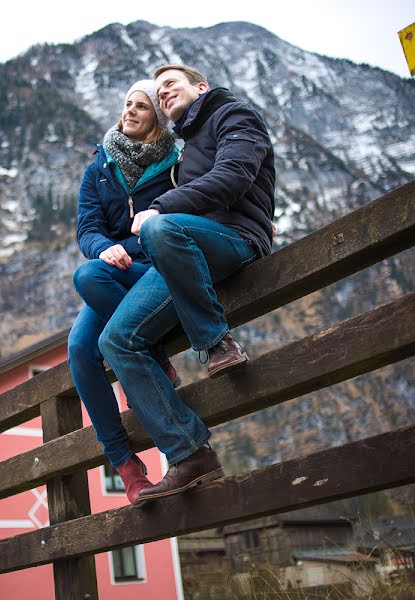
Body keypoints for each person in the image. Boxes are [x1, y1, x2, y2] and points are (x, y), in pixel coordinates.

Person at [98, 64, 276, 503]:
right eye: (157, 94)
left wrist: (161, 206)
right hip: (184, 251)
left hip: (234, 239)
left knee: (160, 229)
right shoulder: (188, 144)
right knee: (116, 341)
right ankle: (190, 453)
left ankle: (217, 344)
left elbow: (235, 177)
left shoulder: (234, 115)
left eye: (169, 86)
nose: (162, 96)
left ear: (200, 87)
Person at [67, 80, 181, 506]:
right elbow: (88, 228)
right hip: (113, 268)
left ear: (156, 118)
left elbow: (185, 210)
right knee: (80, 347)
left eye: (142, 106)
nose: (130, 111)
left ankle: (149, 360)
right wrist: (104, 247)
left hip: (155, 265)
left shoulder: (176, 159)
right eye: (127, 104)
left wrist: (128, 247)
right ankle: (126, 464)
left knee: (89, 278)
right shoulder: (100, 165)